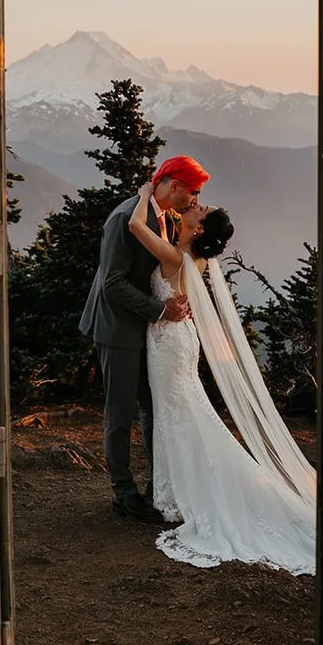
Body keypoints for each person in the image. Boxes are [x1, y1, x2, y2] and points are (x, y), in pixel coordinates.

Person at [128, 183, 317, 573]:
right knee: (180, 413)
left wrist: (146, 193)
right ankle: (174, 496)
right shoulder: (192, 257)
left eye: (202, 208)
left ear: (199, 229)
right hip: (177, 340)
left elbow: (134, 226)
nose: (197, 204)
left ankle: (175, 497)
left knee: (175, 414)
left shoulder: (176, 257)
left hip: (169, 343)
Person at [80, 155, 211, 522]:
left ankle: (159, 489)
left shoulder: (167, 217)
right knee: (120, 413)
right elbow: (113, 283)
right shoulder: (125, 218)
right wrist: (160, 309)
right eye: (194, 191)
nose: (195, 200)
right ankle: (123, 493)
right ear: (173, 185)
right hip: (119, 328)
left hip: (150, 333)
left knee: (153, 410)